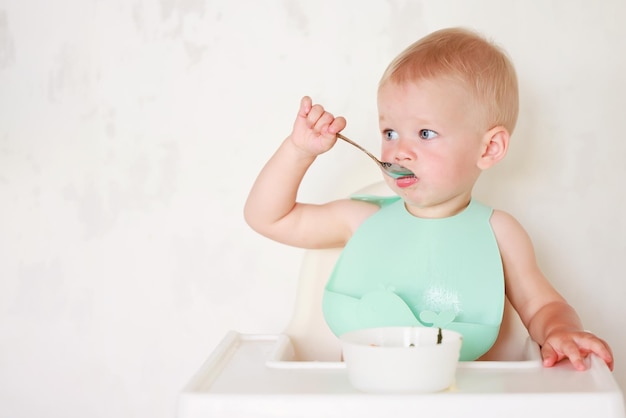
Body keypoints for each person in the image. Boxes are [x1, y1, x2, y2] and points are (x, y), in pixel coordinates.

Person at [244, 27, 613, 370]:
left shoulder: (499, 233)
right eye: (390, 131)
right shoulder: (360, 219)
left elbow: (543, 305)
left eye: (424, 132)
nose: (399, 150)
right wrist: (298, 151)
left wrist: (558, 332)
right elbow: (268, 217)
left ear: (489, 148)